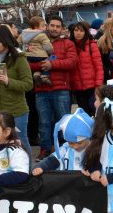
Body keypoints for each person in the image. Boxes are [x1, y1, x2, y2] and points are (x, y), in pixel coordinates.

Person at [28, 15, 79, 161]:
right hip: (41, 89)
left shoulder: (68, 43)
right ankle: (45, 149)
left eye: (57, 26)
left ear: (62, 28)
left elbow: (72, 62)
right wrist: (42, 65)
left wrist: (53, 65)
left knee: (63, 121)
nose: (54, 28)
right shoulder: (36, 41)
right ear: (47, 26)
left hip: (61, 89)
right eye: (52, 25)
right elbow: (28, 63)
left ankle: (65, 148)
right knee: (44, 122)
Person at [0, 25, 34, 155]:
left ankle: (28, 173)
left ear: (6, 40)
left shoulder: (19, 57)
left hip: (16, 110)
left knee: (20, 142)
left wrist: (9, 81)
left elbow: (28, 84)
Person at [33, 108, 93, 173]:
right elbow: (52, 160)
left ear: (88, 137)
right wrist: (40, 167)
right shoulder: (66, 148)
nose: (75, 147)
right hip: (67, 181)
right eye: (71, 143)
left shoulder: (94, 149)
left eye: (79, 143)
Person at [69, 21, 104, 116]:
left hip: (92, 86)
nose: (78, 33)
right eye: (76, 30)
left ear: (86, 32)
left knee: (95, 112)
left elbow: (99, 66)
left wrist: (98, 84)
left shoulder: (92, 45)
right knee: (84, 113)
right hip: (77, 87)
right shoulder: (70, 46)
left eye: (81, 30)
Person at [21, 16, 55, 86]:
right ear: (36, 27)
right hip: (39, 55)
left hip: (28, 56)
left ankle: (36, 74)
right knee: (51, 59)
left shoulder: (24, 34)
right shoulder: (42, 35)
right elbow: (47, 46)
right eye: (43, 26)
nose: (45, 27)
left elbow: (18, 42)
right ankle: (45, 76)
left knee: (35, 63)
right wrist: (51, 52)